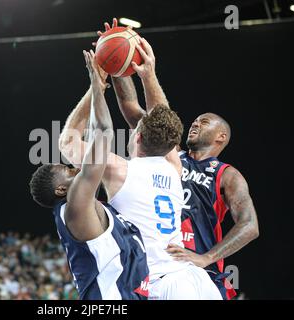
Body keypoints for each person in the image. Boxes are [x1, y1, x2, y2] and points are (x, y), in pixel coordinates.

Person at [59, 23, 221, 300]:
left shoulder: (118, 170)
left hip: (160, 283)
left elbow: (67, 143)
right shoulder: (174, 167)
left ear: (137, 136)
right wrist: (145, 73)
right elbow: (163, 121)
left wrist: (96, 86)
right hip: (194, 279)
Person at [107, 18, 259, 299]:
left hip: (201, 273)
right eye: (196, 120)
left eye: (204, 121)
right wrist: (117, 64)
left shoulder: (226, 174)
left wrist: (207, 257)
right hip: (161, 271)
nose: (195, 123)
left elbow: (250, 226)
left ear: (221, 137)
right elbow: (135, 112)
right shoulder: (169, 157)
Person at [29, 50, 149, 300]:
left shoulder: (88, 207)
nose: (76, 168)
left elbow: (78, 135)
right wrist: (96, 83)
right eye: (69, 170)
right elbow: (103, 132)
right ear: (61, 190)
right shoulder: (76, 206)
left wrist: (100, 84)